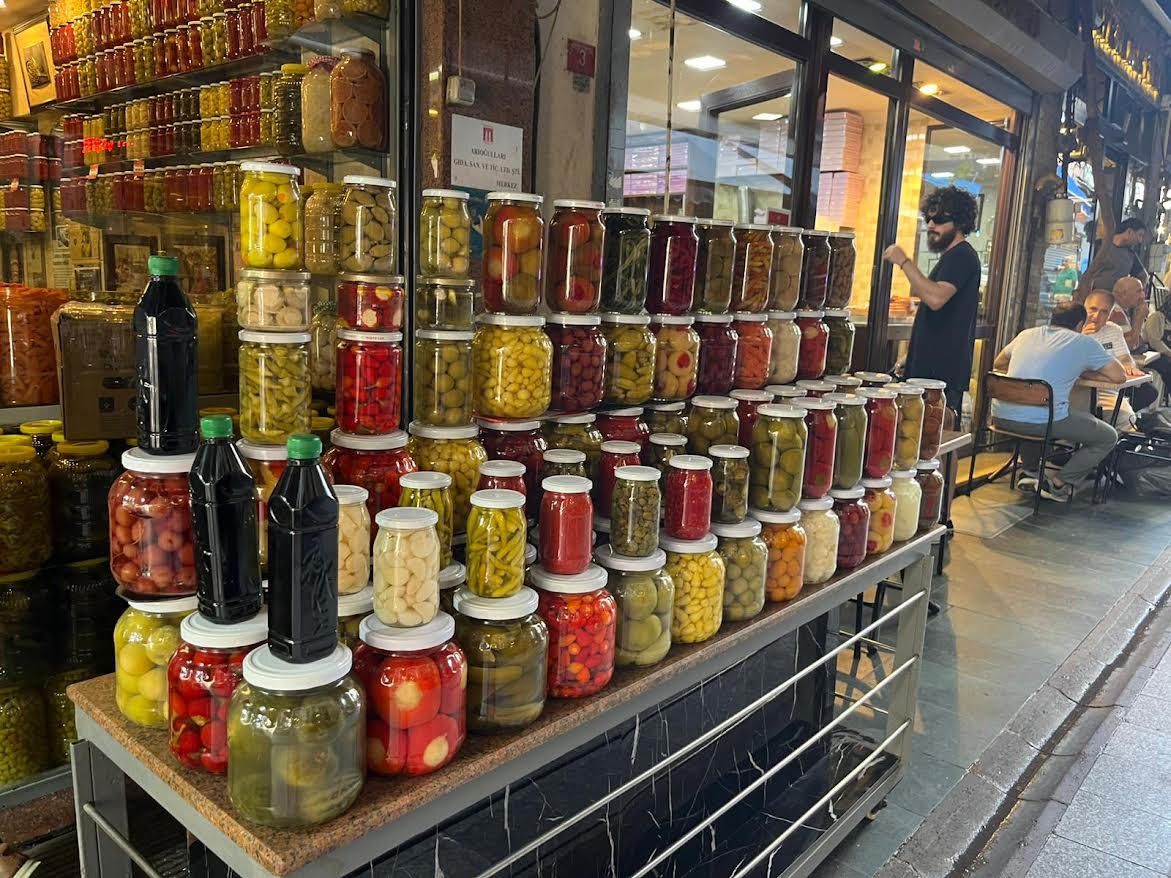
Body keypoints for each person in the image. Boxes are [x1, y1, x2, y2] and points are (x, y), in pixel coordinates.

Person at [991, 301, 1124, 502]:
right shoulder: (1083, 342)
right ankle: (1058, 484)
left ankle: (1030, 472)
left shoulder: (1026, 334)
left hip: (1001, 417)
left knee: (1035, 414)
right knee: (1107, 436)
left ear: (1052, 319)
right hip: (1041, 422)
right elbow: (1119, 376)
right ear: (1080, 324)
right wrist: (1083, 370)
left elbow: (999, 362)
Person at [882, 185, 981, 414]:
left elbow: (935, 298)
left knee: (932, 433)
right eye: (928, 219)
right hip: (929, 374)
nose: (931, 225)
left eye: (939, 220)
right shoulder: (951, 257)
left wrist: (904, 261)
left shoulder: (962, 256)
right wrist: (912, 356)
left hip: (941, 378)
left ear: (959, 223)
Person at [1082, 289, 1158, 416]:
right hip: (1083, 389)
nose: (1096, 316)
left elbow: (1125, 356)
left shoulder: (1113, 330)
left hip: (1110, 387)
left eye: (1104, 312)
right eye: (1093, 309)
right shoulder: (1074, 329)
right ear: (1083, 308)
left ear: (1110, 315)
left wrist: (1128, 365)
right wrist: (1081, 338)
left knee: (1148, 393)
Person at [1077, 217, 1148, 299]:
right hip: (1092, 297)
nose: (1140, 240)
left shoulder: (1131, 255)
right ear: (1129, 232)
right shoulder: (1099, 245)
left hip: (1115, 301)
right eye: (1140, 235)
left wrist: (1134, 294)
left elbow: (1143, 276)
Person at [1110, 275, 1149, 353]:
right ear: (1123, 294)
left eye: (1142, 291)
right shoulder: (1115, 312)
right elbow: (1130, 346)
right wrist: (1139, 317)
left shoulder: (1127, 309)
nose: (1143, 296)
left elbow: (1140, 341)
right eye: (1138, 291)